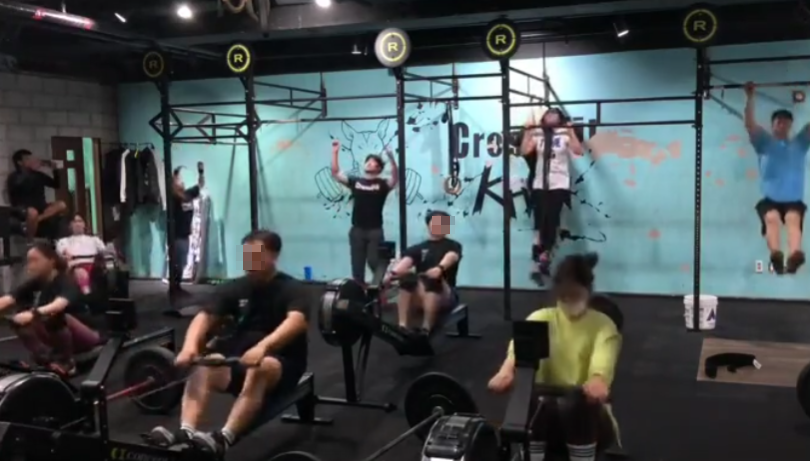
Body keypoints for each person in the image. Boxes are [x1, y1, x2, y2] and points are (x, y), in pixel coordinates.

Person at [145, 230, 310, 456]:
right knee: (204, 365)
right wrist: (190, 346)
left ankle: (224, 438)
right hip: (240, 361)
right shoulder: (236, 287)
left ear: (273, 256)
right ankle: (186, 432)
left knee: (260, 368)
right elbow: (204, 317)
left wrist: (263, 347)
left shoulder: (293, 289)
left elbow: (296, 322)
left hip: (282, 365)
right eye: (246, 256)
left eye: (256, 256)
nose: (249, 262)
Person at [488, 253, 620, 461]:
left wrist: (598, 380)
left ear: (588, 290)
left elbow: (603, 362)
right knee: (529, 393)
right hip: (543, 420)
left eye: (575, 293)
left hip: (589, 425)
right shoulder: (540, 318)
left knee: (577, 401)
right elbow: (518, 353)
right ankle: (533, 458)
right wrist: (506, 372)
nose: (568, 299)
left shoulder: (603, 325)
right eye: (564, 294)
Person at [0, 242, 102, 376]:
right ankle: (45, 358)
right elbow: (9, 298)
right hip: (57, 335)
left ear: (51, 261)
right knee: (19, 321)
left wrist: (33, 313)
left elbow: (59, 304)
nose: (30, 266)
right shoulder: (37, 282)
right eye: (29, 261)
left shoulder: (65, 280)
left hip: (87, 335)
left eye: (35, 260)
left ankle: (66, 362)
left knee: (53, 315)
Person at [744, 82, 810, 274]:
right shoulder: (764, 142)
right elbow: (750, 124)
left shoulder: (799, 143)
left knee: (793, 219)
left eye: (785, 122)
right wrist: (750, 98)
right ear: (773, 125)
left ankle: (795, 254)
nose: (782, 124)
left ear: (790, 126)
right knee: (772, 219)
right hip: (770, 199)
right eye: (778, 121)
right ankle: (776, 255)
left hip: (793, 200)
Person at [520, 108, 585, 279]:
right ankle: (540, 255)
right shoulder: (538, 134)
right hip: (540, 183)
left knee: (552, 218)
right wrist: (527, 132)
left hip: (559, 182)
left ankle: (545, 254)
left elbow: (578, 151)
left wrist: (570, 131)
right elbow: (524, 151)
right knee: (540, 218)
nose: (551, 116)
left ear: (560, 118)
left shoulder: (564, 134)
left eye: (554, 114)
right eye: (548, 114)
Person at [331, 140, 398, 284]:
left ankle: (380, 288)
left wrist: (391, 158)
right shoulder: (356, 182)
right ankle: (359, 291)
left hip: (375, 230)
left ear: (379, 168)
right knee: (357, 266)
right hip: (357, 229)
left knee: (374, 261)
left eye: (373, 162)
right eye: (368, 161)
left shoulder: (382, 184)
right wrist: (335, 152)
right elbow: (336, 173)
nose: (369, 163)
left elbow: (395, 179)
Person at [385, 210, 462, 336]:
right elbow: (405, 263)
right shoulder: (418, 248)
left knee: (431, 281)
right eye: (436, 222)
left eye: (443, 223)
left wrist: (439, 268)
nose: (439, 225)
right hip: (420, 294)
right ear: (428, 225)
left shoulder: (453, 245)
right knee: (408, 280)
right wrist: (391, 275)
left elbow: (452, 256)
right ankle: (402, 326)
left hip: (446, 294)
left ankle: (426, 330)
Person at [6, 149, 67, 239]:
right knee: (33, 212)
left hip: (41, 207)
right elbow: (19, 184)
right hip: (23, 208)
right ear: (20, 162)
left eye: (31, 158)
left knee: (61, 204)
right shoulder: (14, 177)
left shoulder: (38, 175)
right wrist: (29, 172)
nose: (31, 161)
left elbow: (56, 185)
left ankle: (37, 219)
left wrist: (55, 170)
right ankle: (30, 240)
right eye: (27, 159)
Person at [169, 162, 204, 300]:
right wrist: (175, 173)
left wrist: (201, 172)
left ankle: (177, 287)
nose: (182, 181)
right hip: (176, 235)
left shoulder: (187, 194)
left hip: (185, 234)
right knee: (177, 263)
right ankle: (174, 289)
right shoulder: (173, 198)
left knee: (182, 262)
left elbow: (200, 185)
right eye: (179, 180)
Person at [56, 214, 108, 294]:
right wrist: (67, 255)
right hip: (74, 268)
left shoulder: (94, 240)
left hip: (93, 267)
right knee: (80, 272)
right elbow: (62, 253)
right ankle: (86, 293)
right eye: (74, 222)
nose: (77, 224)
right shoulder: (64, 241)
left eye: (80, 221)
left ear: (84, 224)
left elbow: (105, 252)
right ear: (70, 225)